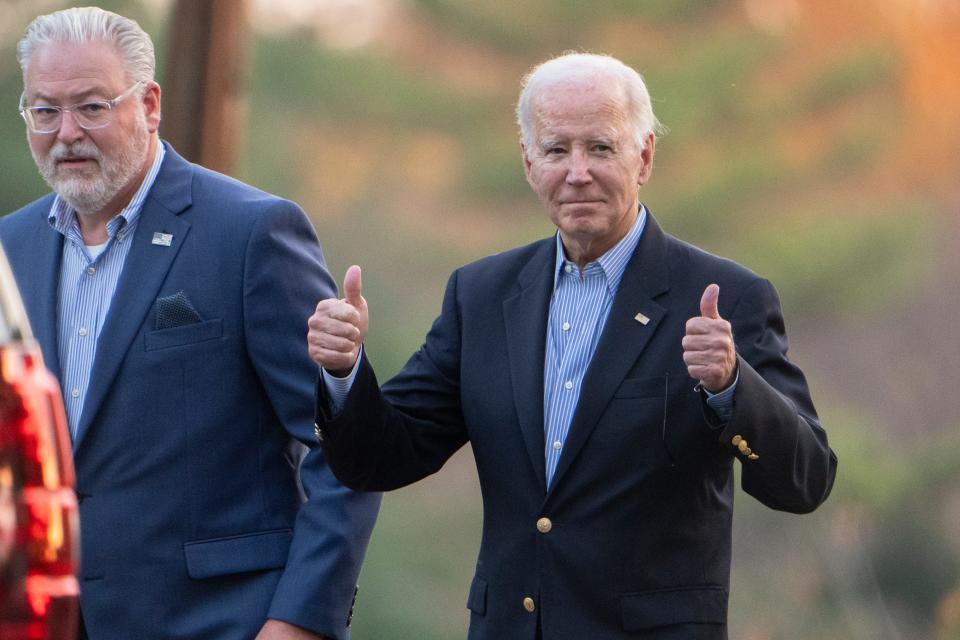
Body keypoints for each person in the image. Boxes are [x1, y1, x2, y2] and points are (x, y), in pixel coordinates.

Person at [308, 52, 837, 639]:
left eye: (601, 148)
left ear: (645, 157)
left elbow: (806, 480)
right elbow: (382, 456)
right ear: (529, 163)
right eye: (557, 150)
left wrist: (731, 386)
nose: (577, 172)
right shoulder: (480, 295)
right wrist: (344, 371)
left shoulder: (725, 297)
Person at [0, 7, 380, 640]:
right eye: (45, 111)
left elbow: (344, 453)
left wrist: (297, 625)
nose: (66, 133)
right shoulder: (8, 249)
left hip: (219, 624)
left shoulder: (251, 231)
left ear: (149, 105)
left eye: (92, 107)